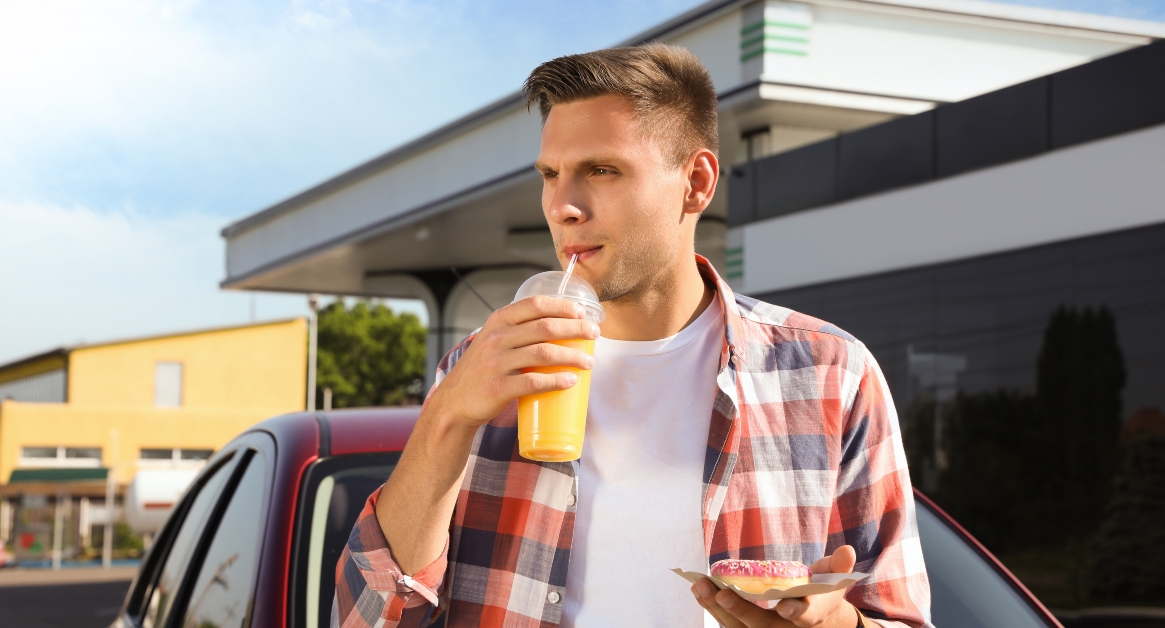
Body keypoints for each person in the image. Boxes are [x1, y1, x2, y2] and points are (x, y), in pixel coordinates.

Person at [334, 43, 932, 628]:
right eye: (550, 174)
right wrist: (448, 416)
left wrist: (838, 626)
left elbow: (900, 617)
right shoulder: (481, 367)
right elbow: (365, 620)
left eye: (601, 170)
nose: (562, 206)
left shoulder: (829, 374)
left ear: (696, 183)